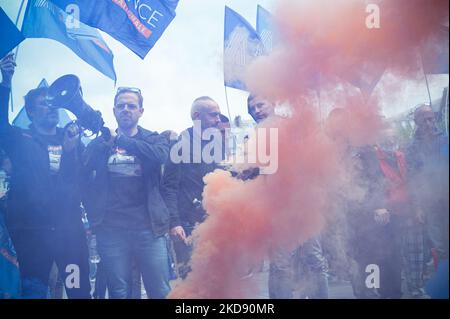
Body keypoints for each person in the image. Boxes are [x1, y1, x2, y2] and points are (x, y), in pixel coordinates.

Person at [0, 53, 90, 299]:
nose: (51, 107)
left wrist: (71, 152)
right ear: (30, 112)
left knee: (78, 291)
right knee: (34, 291)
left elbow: (75, 183)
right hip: (31, 234)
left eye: (53, 103)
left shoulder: (71, 137)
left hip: (68, 233)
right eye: (43, 103)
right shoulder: (20, 139)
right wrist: (6, 82)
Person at [82, 86, 180, 299]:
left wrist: (121, 140)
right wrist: (93, 215)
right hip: (111, 230)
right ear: (114, 111)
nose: (126, 109)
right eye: (121, 106)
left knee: (160, 290)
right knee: (119, 292)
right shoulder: (100, 143)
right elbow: (83, 177)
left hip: (149, 229)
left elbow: (160, 156)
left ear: (141, 111)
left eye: (131, 106)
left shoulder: (153, 138)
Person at [247, 94, 329, 299]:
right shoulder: (254, 136)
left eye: (260, 105)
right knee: (281, 263)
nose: (256, 111)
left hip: (304, 204)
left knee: (313, 259)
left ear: (273, 103)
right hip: (276, 209)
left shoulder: (293, 128)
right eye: (252, 108)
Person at [163, 96, 225, 279]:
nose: (218, 120)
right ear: (197, 116)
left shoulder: (217, 144)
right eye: (214, 115)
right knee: (192, 278)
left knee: (218, 276)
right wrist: (174, 223)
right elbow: (168, 186)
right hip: (187, 225)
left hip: (213, 221)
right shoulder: (180, 145)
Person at [407, 104, 449, 298]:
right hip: (431, 204)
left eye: (431, 118)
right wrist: (417, 207)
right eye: (424, 119)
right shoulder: (413, 148)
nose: (429, 122)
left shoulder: (445, 140)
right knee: (440, 247)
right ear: (416, 122)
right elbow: (412, 180)